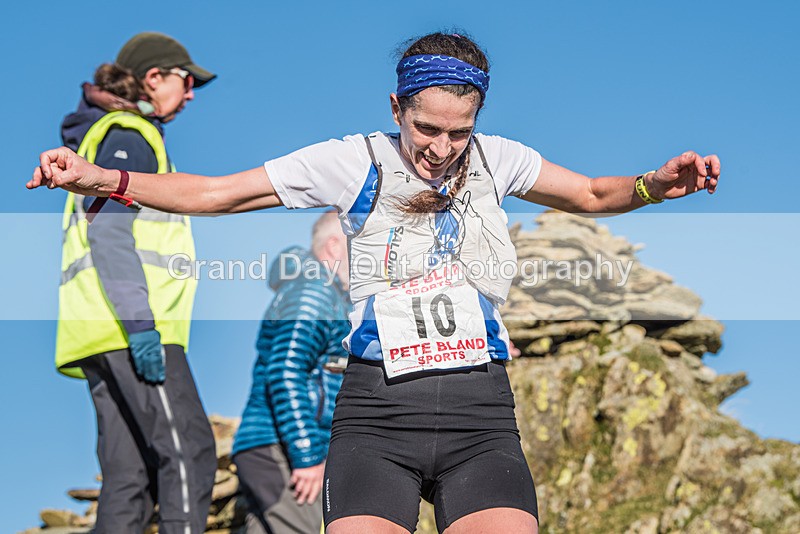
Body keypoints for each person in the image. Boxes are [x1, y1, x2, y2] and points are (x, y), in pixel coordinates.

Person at [31, 31, 720, 534]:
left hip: (481, 417)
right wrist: (100, 177)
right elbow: (217, 193)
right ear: (396, 108)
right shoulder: (351, 162)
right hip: (376, 418)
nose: (441, 149)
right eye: (426, 128)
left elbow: (593, 194)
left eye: (459, 131)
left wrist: (651, 185)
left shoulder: (498, 159)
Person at [52, 32, 218, 534]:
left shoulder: (100, 135)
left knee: (128, 476)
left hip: (96, 331)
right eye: (186, 80)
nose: (191, 94)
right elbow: (109, 232)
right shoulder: (131, 133)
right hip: (134, 329)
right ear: (154, 77)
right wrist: (142, 326)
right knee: (189, 451)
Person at [231, 211, 350, 534]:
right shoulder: (315, 291)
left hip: (271, 446)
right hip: (280, 447)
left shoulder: (321, 291)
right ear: (334, 246)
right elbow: (286, 370)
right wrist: (307, 453)